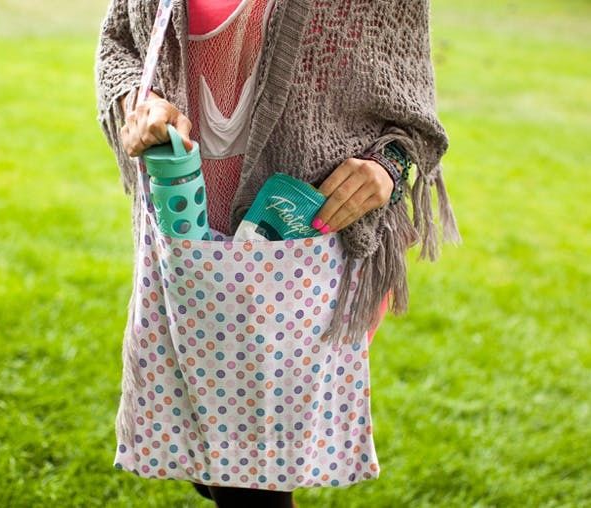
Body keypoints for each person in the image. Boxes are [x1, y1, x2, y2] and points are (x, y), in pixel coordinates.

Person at [95, 1, 460, 507]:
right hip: (188, 249)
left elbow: (412, 120)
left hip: (303, 260)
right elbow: (121, 46)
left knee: (250, 484)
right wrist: (140, 103)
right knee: (211, 467)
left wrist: (387, 169)